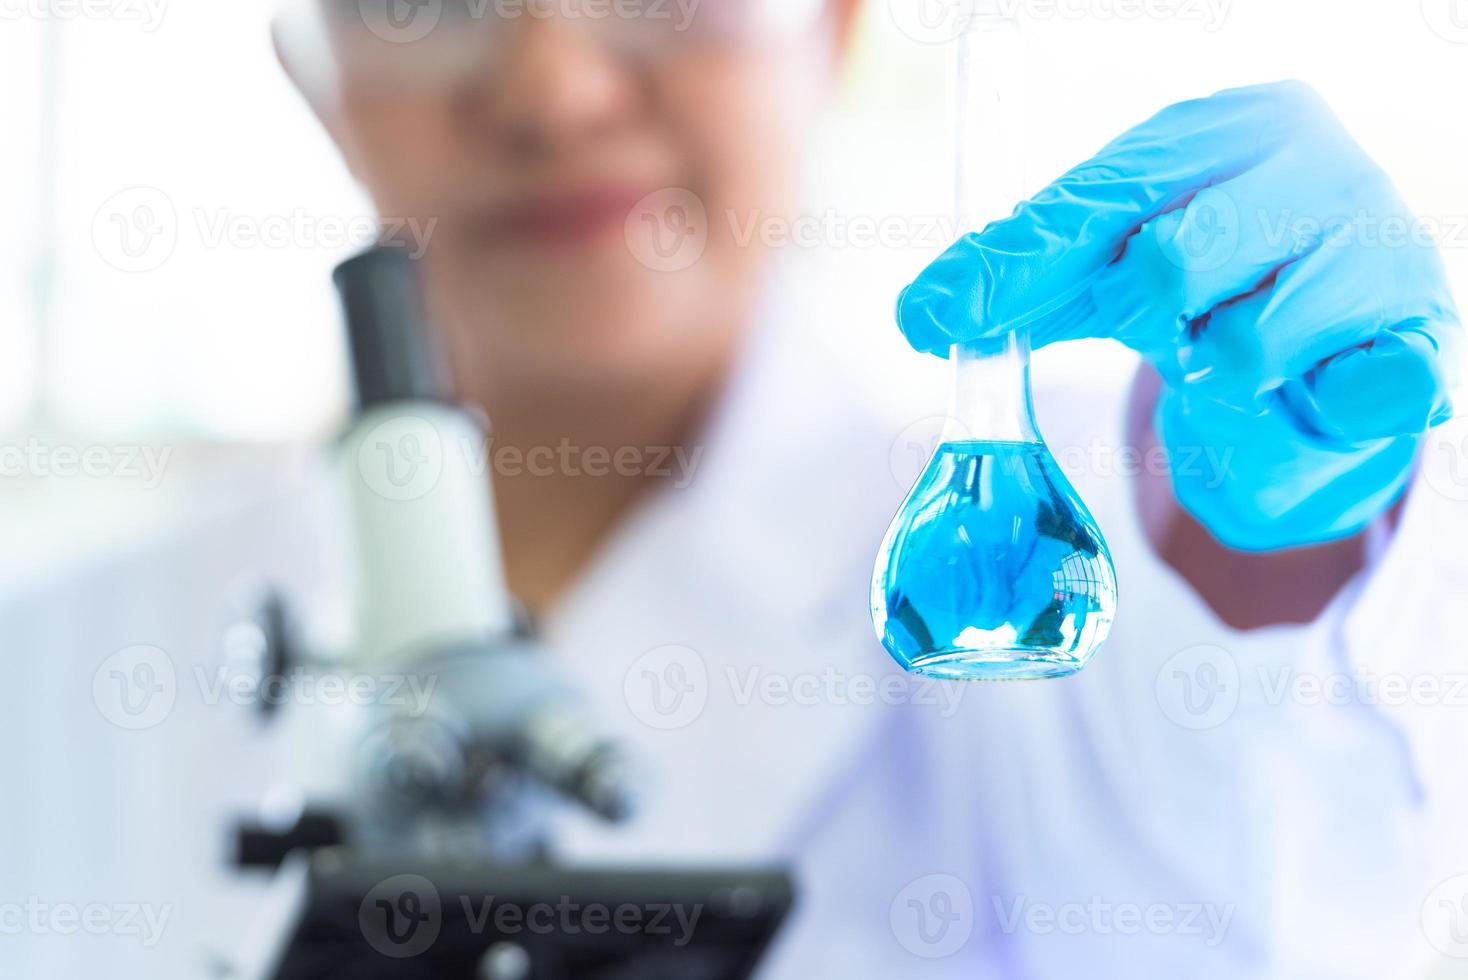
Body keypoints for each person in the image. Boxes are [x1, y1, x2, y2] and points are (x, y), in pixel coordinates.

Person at [275, 2, 1467, 975]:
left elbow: (1268, 880)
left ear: (832, 30)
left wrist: (1273, 543)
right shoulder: (98, 635)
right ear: (311, 71)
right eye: (416, 4)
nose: (554, 91)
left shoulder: (1073, 573)